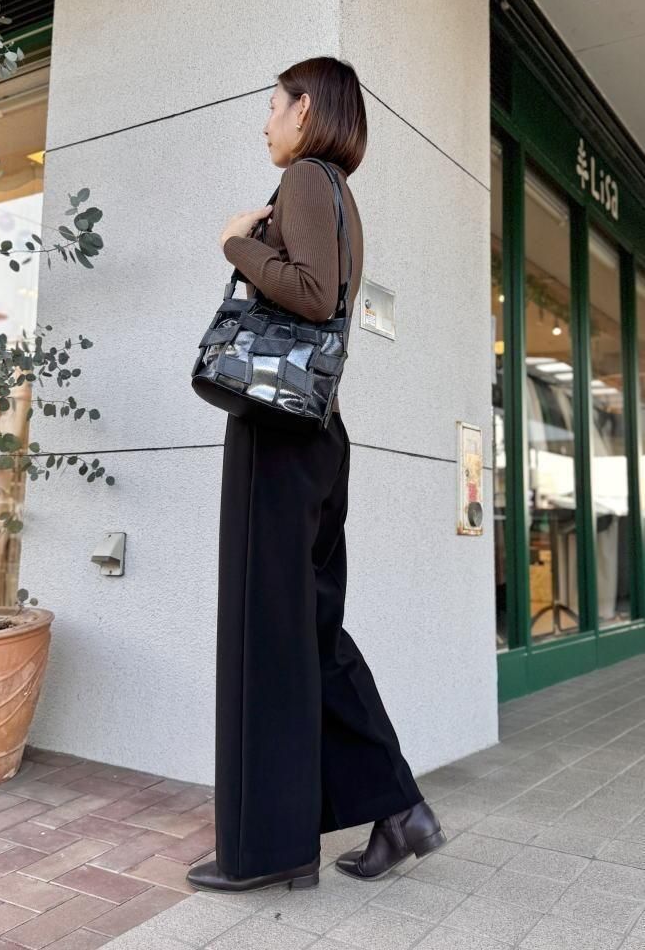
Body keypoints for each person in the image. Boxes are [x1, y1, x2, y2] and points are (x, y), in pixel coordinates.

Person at [187, 56, 446, 895]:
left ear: (305, 109)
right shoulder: (338, 193)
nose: (265, 121)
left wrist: (233, 243)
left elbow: (311, 291)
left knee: (270, 640)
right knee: (310, 636)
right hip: (318, 436)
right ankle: (397, 810)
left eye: (273, 105)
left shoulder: (304, 178)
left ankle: (269, 849)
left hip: (279, 436)